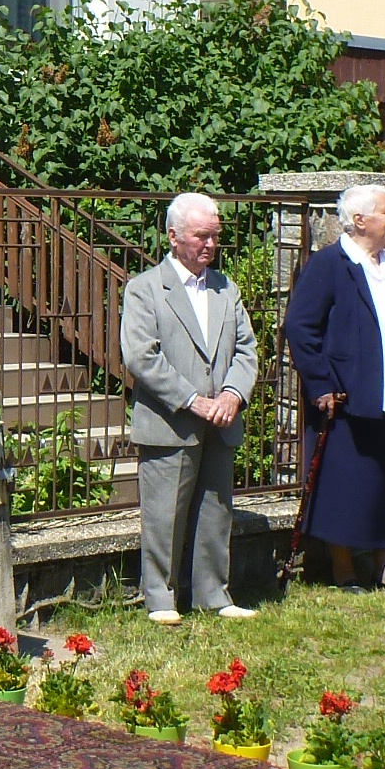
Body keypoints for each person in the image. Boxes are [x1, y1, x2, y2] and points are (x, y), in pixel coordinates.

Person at [120, 192, 261, 624]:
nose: (211, 244)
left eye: (215, 236)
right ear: (173, 236)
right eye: (202, 236)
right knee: (164, 515)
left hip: (221, 420)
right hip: (171, 421)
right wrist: (193, 400)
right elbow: (141, 356)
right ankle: (160, 598)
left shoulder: (226, 288)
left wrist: (232, 395)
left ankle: (213, 595)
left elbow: (247, 349)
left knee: (216, 511)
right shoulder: (145, 289)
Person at [283, 183, 385, 591]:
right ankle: (343, 570)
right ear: (360, 220)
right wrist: (321, 383)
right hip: (344, 399)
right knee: (344, 485)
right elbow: (300, 326)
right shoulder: (330, 264)